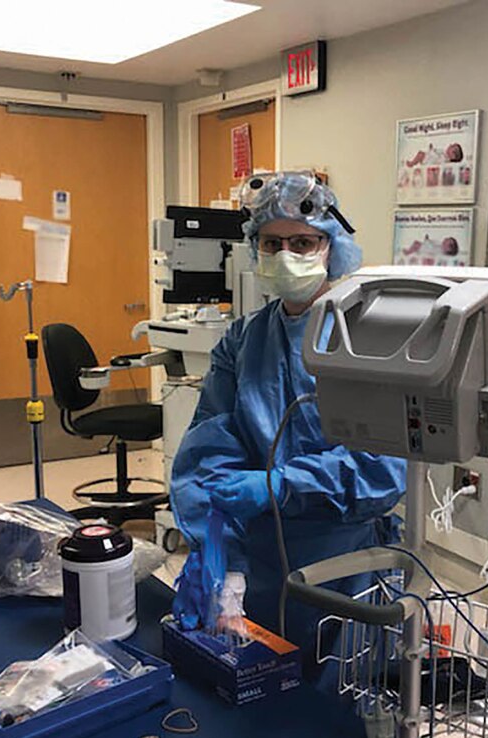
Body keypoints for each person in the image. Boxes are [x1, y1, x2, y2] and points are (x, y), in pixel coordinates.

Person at [170, 172, 406, 673]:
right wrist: (225, 565)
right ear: (255, 249)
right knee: (259, 703)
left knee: (339, 717)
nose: (286, 255)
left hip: (346, 561)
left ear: (332, 246)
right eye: (272, 243)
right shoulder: (243, 341)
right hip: (262, 562)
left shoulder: (367, 340)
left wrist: (283, 484)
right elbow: (210, 452)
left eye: (302, 242)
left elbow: (382, 472)